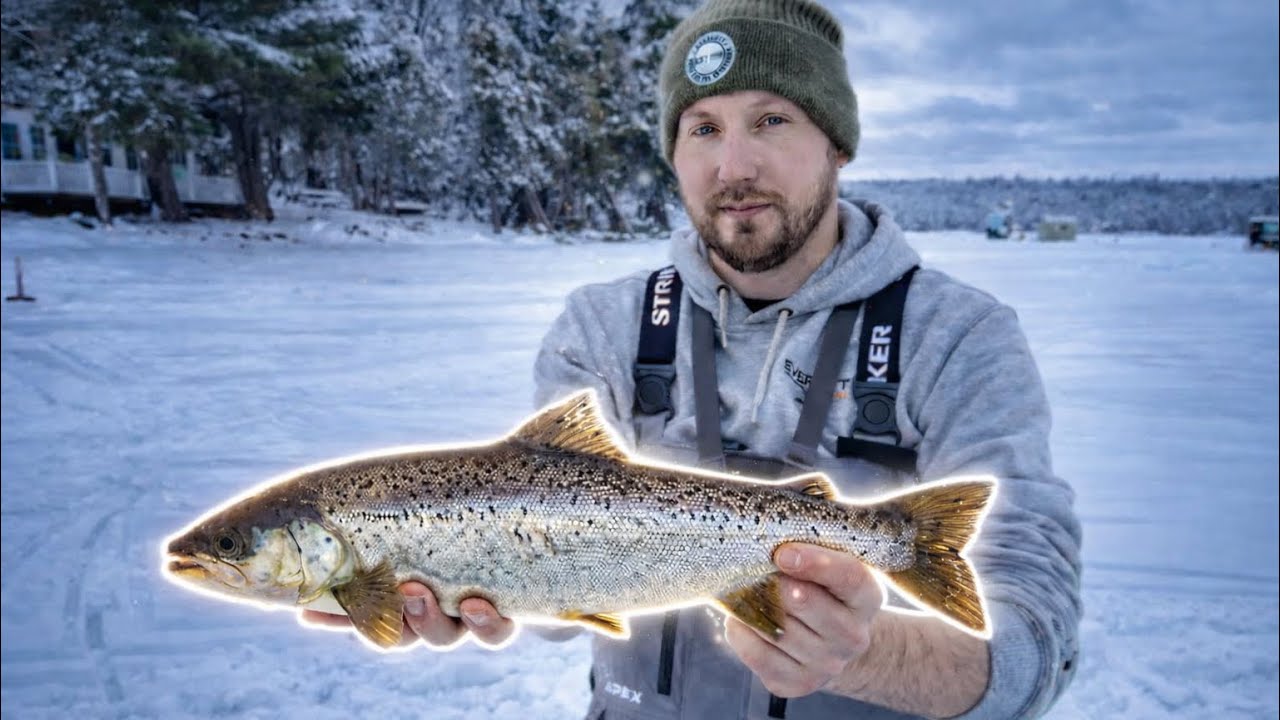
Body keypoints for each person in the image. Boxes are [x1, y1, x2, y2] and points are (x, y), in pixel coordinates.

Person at [310, 1, 1082, 718]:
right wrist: (465, 574)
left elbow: (1034, 643)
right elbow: (556, 615)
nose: (734, 165)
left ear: (837, 143)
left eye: (771, 119)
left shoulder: (955, 335)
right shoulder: (603, 326)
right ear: (674, 154)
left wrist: (869, 655)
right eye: (703, 129)